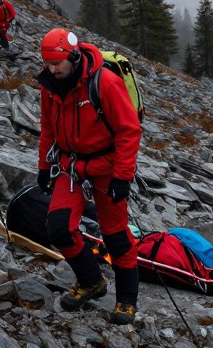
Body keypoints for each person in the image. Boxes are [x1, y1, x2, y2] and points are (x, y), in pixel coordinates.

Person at [36, 28, 142, 326]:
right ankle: (91, 281)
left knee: (116, 235)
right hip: (70, 168)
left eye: (57, 63)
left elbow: (129, 131)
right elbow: (47, 128)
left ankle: (126, 301)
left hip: (107, 169)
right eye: (48, 63)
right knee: (58, 228)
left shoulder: (104, 83)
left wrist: (123, 176)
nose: (52, 69)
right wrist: (44, 166)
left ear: (73, 56)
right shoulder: (49, 86)